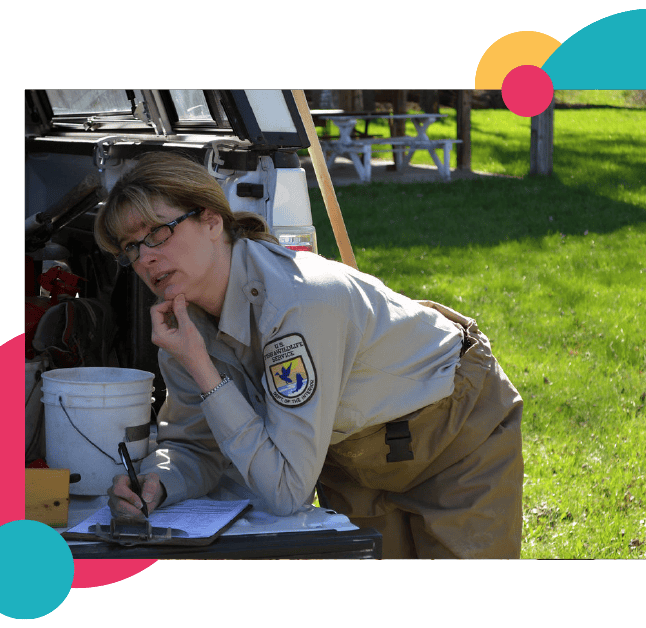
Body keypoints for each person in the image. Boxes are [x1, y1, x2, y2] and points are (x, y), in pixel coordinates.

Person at [94, 151, 524, 558]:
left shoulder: (297, 301)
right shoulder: (184, 330)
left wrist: (204, 370)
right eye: (130, 248)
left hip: (454, 434)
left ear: (210, 219)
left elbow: (284, 492)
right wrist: (157, 483)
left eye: (157, 232)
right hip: (350, 453)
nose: (146, 257)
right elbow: (197, 447)